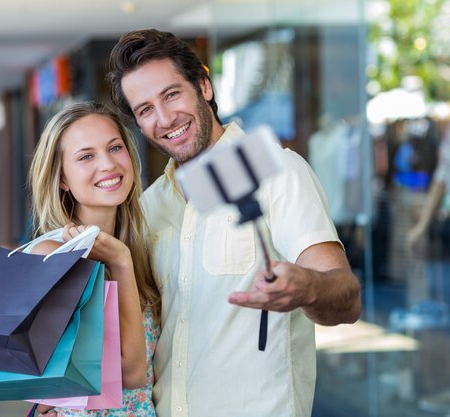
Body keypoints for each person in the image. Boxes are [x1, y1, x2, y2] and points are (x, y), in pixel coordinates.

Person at [106, 29, 362, 417]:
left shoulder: (277, 171)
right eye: (145, 110)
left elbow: (347, 298)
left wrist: (306, 287)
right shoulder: (149, 204)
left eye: (172, 94)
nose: (164, 118)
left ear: (204, 85)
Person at [29, 102, 159, 417]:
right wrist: (121, 264)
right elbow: (131, 374)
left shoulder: (142, 247)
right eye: (86, 156)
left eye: (115, 147)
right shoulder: (54, 256)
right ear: (62, 179)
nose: (108, 164)